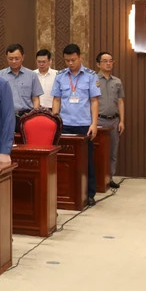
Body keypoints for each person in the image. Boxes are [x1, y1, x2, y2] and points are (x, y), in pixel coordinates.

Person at [51, 43, 101, 206]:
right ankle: (66, 192)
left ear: (80, 57)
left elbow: (94, 101)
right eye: (67, 60)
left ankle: (90, 193)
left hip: (83, 124)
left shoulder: (90, 75)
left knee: (87, 161)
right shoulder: (60, 76)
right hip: (65, 124)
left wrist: (94, 124)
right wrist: (54, 121)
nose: (70, 63)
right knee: (65, 161)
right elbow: (57, 100)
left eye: (73, 60)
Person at [95, 51, 125, 189]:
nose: (108, 63)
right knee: (98, 152)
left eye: (110, 60)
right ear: (98, 64)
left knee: (112, 151)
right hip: (99, 121)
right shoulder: (93, 80)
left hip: (113, 121)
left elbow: (120, 102)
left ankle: (110, 177)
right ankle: (98, 178)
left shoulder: (117, 81)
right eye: (105, 61)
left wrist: (122, 121)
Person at [0, 43, 43, 131]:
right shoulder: (0, 75)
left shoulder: (32, 75)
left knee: (27, 143)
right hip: (7, 117)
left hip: (27, 116)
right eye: (10, 59)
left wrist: (34, 116)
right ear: (6, 58)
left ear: (23, 57)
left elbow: (36, 98)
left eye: (16, 58)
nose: (13, 61)